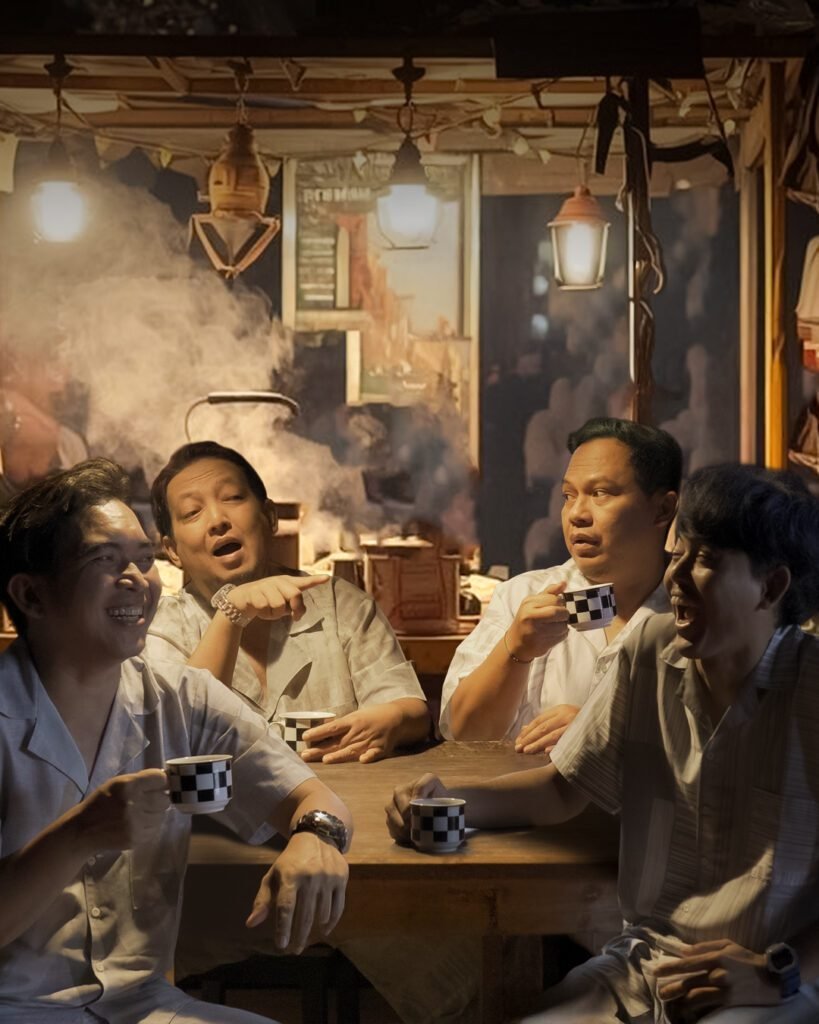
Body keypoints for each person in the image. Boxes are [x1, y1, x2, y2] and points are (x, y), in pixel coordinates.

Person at [388, 463, 819, 1023]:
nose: (677, 576)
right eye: (679, 551)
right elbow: (561, 789)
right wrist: (446, 800)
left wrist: (776, 972)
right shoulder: (649, 649)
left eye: (707, 559)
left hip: (773, 982)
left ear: (772, 586)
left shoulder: (810, 690)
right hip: (643, 963)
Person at [0, 458, 352, 1024]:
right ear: (31, 596)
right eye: (104, 561)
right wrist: (79, 835)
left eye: (143, 560)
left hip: (143, 1007)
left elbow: (312, 798)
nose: (137, 580)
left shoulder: (180, 696)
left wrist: (318, 836)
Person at [145, 441, 430, 763]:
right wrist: (231, 612)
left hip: (341, 793)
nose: (217, 520)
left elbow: (411, 709)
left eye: (233, 497)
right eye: (192, 512)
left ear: (270, 517)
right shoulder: (164, 627)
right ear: (172, 551)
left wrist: (393, 719)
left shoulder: (340, 605)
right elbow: (177, 735)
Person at [440, 416, 681, 755]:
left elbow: (728, 742)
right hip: (523, 789)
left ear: (663, 509)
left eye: (600, 493)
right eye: (569, 495)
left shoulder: (696, 608)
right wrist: (516, 648)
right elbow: (464, 734)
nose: (576, 514)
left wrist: (602, 729)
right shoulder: (524, 597)